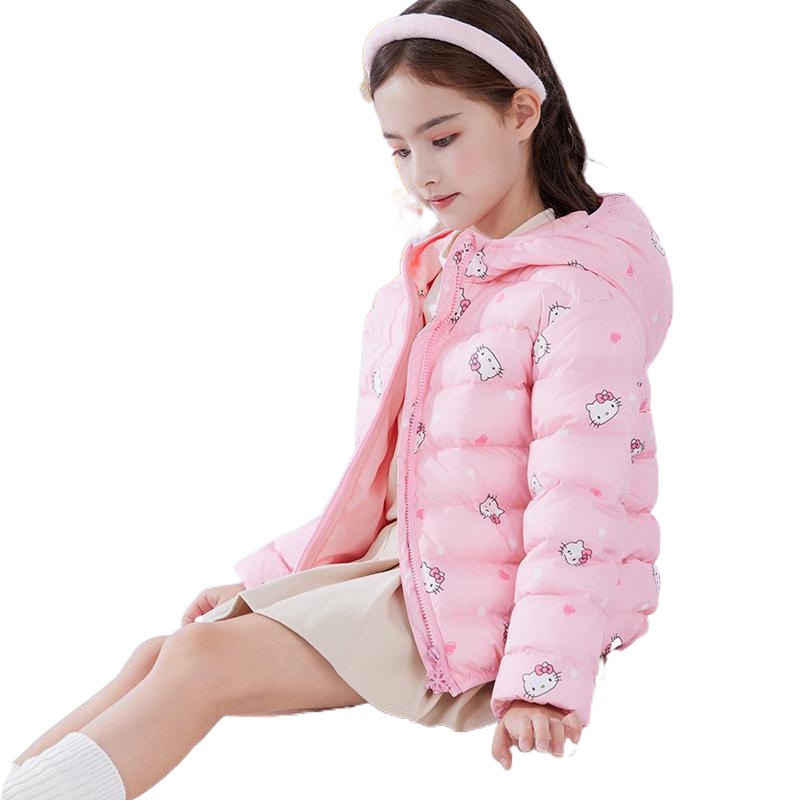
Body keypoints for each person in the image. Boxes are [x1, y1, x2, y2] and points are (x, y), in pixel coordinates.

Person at [3, 1, 673, 797]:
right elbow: (388, 482)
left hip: (491, 612)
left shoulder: (577, 297)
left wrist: (542, 681)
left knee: (201, 663)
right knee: (164, 653)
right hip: (412, 569)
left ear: (522, 112)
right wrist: (281, 579)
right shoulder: (436, 278)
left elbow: (582, 504)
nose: (422, 173)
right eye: (400, 149)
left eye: (444, 138)